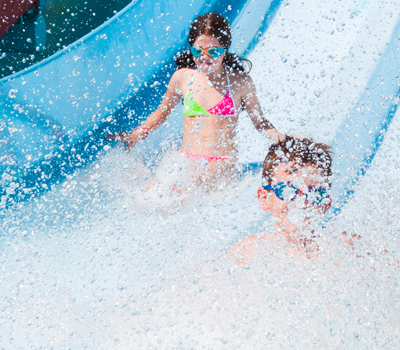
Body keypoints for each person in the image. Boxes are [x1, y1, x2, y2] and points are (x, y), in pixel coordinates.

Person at [106, 13, 285, 187]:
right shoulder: (182, 78)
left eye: (213, 51)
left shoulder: (240, 82)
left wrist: (279, 138)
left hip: (222, 167)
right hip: (187, 162)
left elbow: (260, 122)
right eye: (198, 50)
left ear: (225, 49)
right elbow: (162, 112)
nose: (205, 57)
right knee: (157, 193)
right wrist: (137, 134)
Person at [229, 136, 333, 263]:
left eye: (314, 193)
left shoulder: (344, 249)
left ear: (326, 202)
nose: (301, 201)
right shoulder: (246, 252)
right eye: (287, 190)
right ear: (264, 199)